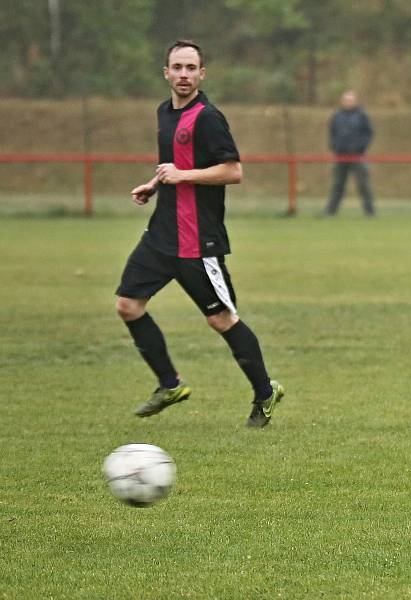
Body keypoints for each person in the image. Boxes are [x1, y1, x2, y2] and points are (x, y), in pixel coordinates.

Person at [115, 40, 284, 427]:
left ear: (202, 74)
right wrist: (155, 184)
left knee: (221, 320)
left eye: (192, 68)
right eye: (178, 67)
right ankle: (169, 384)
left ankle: (265, 392)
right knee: (128, 305)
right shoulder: (164, 112)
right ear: (166, 73)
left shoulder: (208, 117)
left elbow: (233, 171)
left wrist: (182, 176)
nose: (184, 75)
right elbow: (173, 165)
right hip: (161, 234)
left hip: (196, 240)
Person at [324, 90, 375, 216]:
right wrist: (334, 146)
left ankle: (370, 212)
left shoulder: (361, 115)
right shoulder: (337, 116)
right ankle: (330, 212)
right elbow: (332, 133)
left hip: (357, 156)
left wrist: (360, 147)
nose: (348, 102)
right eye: (346, 100)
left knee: (363, 185)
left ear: (355, 101)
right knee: (337, 185)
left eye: (350, 100)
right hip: (340, 156)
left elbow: (368, 134)